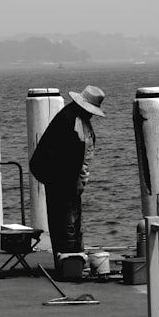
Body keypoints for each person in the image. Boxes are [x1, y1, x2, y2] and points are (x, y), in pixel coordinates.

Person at [29, 85, 105, 255]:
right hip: (62, 178)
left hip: (58, 176)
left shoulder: (70, 116)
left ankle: (69, 258)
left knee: (64, 220)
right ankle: (70, 257)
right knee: (67, 222)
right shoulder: (71, 122)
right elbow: (75, 157)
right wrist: (76, 182)